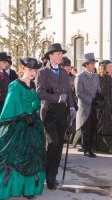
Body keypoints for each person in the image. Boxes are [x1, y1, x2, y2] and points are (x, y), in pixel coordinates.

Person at [0, 58, 46, 199]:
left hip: (31, 123)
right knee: (8, 154)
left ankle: (27, 189)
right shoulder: (15, 84)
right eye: (30, 70)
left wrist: (32, 111)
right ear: (23, 69)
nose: (33, 73)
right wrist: (23, 115)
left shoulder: (32, 85)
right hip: (16, 122)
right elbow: (11, 103)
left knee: (32, 155)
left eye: (35, 70)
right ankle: (4, 189)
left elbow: (35, 103)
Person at [36, 43, 76, 190]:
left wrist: (71, 107)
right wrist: (58, 98)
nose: (61, 56)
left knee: (59, 146)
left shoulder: (65, 73)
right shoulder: (42, 72)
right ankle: (45, 173)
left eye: (61, 54)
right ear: (50, 56)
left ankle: (52, 176)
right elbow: (40, 93)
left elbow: (69, 93)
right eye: (58, 54)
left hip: (62, 113)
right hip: (49, 112)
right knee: (53, 143)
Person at [75, 53, 101, 158]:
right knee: (86, 128)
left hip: (94, 106)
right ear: (86, 65)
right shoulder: (80, 77)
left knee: (93, 127)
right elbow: (79, 93)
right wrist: (90, 100)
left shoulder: (95, 76)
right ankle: (86, 149)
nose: (94, 65)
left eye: (94, 63)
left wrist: (99, 95)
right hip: (84, 107)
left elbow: (98, 88)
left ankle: (90, 147)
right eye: (92, 63)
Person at [93, 63, 112, 153]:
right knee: (103, 125)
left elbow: (111, 92)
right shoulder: (98, 77)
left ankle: (111, 146)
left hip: (110, 105)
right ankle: (102, 146)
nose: (111, 68)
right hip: (102, 105)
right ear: (104, 67)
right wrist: (101, 103)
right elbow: (98, 92)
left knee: (111, 125)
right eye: (109, 66)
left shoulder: (109, 77)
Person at [61, 56, 78, 143]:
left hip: (71, 101)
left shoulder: (73, 77)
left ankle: (68, 136)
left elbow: (74, 91)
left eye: (69, 67)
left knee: (70, 120)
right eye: (67, 67)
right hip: (61, 102)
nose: (69, 68)